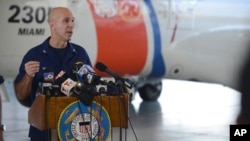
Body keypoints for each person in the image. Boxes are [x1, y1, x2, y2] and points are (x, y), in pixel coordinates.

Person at [14, 7, 92, 141]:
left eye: (73, 21)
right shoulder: (34, 55)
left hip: (74, 131)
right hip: (43, 133)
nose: (71, 25)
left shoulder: (80, 54)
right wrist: (28, 76)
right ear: (53, 25)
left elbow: (90, 86)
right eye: (66, 21)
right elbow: (21, 94)